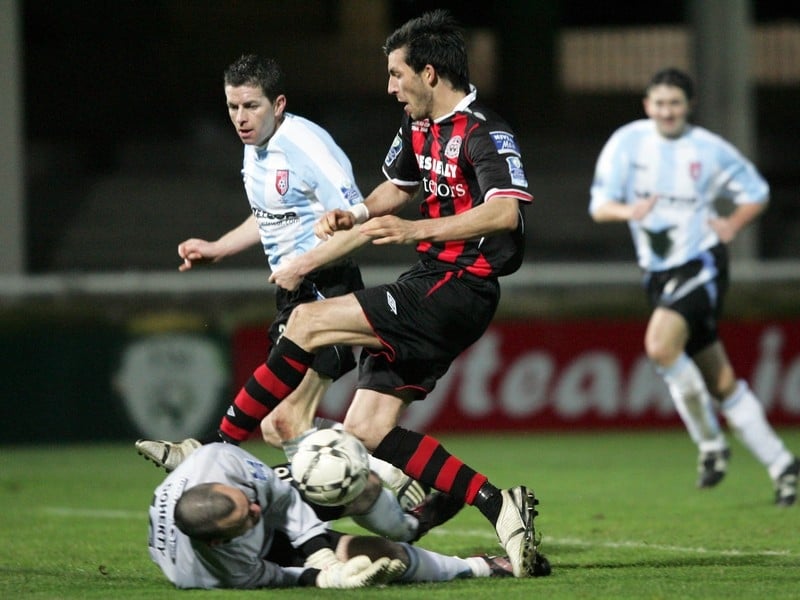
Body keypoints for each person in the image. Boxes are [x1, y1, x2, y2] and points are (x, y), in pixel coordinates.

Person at [156, 10, 547, 579]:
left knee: (307, 324)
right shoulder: (419, 126)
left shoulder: (486, 131)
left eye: (397, 74)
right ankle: (497, 503)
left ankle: (213, 446)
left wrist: (415, 230)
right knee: (366, 430)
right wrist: (358, 211)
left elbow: (505, 211)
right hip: (430, 281)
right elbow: (401, 186)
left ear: (430, 74)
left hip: (458, 287)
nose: (390, 87)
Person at [134, 53, 428, 510]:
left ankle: (211, 452)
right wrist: (218, 247)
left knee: (284, 422)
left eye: (250, 106)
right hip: (293, 291)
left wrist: (304, 264)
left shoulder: (309, 147)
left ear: (280, 104)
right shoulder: (256, 148)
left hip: (326, 290)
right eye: (232, 107)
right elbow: (269, 215)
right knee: (279, 425)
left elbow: (358, 226)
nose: (240, 118)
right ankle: (388, 476)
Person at [589, 67, 799, 506]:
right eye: (659, 103)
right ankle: (784, 465)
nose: (667, 111)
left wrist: (731, 224)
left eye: (675, 104)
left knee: (660, 347)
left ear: (689, 107)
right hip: (658, 274)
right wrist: (632, 211)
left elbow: (756, 191)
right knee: (720, 380)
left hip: (701, 263)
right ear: (647, 105)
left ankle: (710, 445)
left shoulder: (708, 149)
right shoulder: (627, 143)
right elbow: (600, 207)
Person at [148, 443, 516, 589]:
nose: (255, 510)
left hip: (225, 476)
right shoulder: (209, 571)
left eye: (247, 501)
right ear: (218, 540)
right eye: (247, 518)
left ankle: (412, 520)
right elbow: (277, 576)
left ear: (219, 485)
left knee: (355, 485)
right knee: (387, 557)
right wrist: (327, 577)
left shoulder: (220, 462)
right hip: (258, 552)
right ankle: (479, 566)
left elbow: (281, 503)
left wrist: (317, 549)